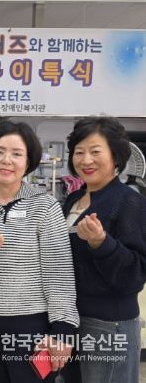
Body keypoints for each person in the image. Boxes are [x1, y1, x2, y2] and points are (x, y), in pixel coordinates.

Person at [0, 121, 79, 383]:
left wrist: (62, 329)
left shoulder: (45, 206)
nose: (6, 160)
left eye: (17, 153)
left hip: (33, 324)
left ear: (28, 161)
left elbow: (59, 273)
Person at [62, 117, 146, 383]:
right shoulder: (74, 199)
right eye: (79, 152)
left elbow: (136, 273)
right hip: (72, 319)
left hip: (110, 323)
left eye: (96, 151)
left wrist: (102, 243)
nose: (86, 160)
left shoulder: (129, 201)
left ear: (116, 156)